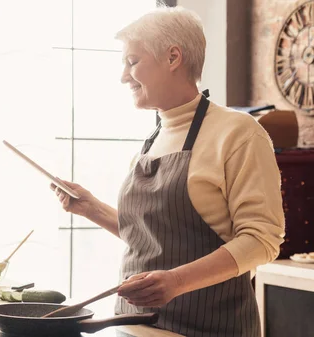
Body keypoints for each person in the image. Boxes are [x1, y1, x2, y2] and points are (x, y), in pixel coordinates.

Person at [51, 6, 284, 337]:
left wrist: (176, 281)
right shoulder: (155, 137)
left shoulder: (239, 133)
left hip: (208, 329)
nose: (123, 76)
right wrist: (92, 209)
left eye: (132, 62)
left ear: (173, 57)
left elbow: (262, 240)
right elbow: (153, 237)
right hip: (131, 325)